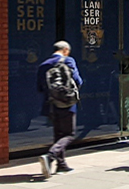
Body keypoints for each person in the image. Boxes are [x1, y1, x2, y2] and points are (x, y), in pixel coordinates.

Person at [36, 41, 83, 178]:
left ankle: (61, 165)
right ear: (66, 50)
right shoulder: (68, 60)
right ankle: (49, 157)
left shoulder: (43, 65)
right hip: (67, 104)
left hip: (51, 104)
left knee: (58, 134)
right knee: (69, 134)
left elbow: (39, 88)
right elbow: (78, 81)